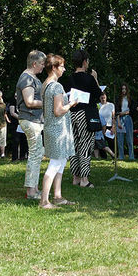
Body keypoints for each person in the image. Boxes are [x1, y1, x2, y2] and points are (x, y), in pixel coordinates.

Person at [40, 54, 79, 208]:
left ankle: (57, 196)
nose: (64, 69)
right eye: (62, 66)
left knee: (61, 162)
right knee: (55, 164)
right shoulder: (57, 86)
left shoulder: (46, 84)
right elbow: (58, 110)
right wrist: (71, 104)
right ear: (54, 68)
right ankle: (44, 201)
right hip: (57, 129)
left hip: (53, 129)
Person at [16, 50, 47, 200]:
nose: (43, 67)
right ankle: (31, 191)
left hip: (35, 121)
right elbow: (29, 102)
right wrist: (48, 103)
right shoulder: (26, 78)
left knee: (37, 154)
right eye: (42, 64)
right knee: (35, 154)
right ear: (34, 63)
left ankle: (34, 188)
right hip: (29, 120)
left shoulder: (32, 77)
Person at [68, 49, 101, 187]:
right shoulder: (89, 78)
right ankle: (84, 179)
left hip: (72, 114)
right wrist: (96, 78)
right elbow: (99, 94)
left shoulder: (69, 78)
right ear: (84, 62)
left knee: (74, 145)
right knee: (86, 145)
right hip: (85, 114)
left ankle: (75, 177)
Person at [116, 84, 135, 160]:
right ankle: (121, 156)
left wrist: (125, 113)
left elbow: (132, 111)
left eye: (125, 89)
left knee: (129, 139)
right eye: (122, 89)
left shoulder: (130, 99)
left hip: (128, 118)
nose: (123, 90)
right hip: (119, 119)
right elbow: (117, 111)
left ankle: (131, 157)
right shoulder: (118, 99)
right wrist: (118, 122)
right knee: (120, 139)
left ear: (127, 90)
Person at [95, 92, 116, 159]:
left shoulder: (111, 105)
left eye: (104, 95)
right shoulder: (97, 105)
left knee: (111, 143)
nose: (102, 97)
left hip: (109, 126)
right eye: (101, 96)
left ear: (106, 96)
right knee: (101, 143)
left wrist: (113, 126)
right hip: (100, 127)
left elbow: (113, 117)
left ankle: (114, 157)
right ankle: (104, 157)